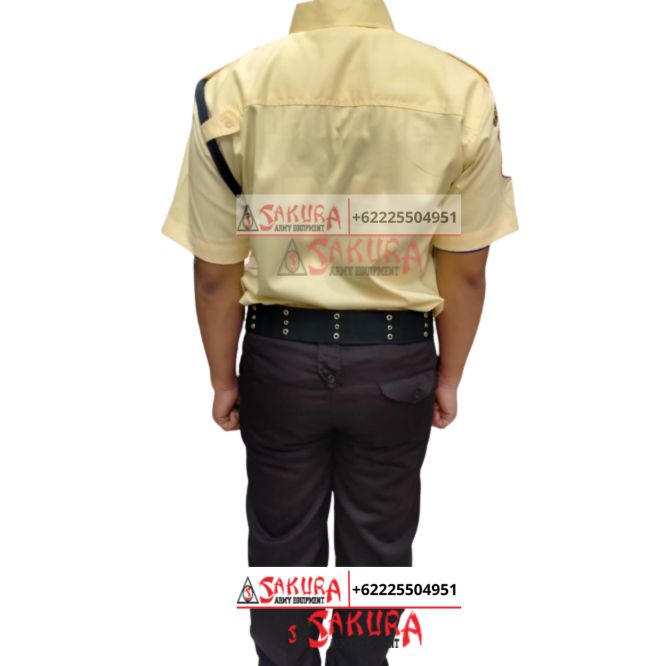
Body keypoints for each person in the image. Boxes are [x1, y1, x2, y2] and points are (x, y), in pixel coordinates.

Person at [161, 0, 518, 663]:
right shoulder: (460, 90)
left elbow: (215, 271)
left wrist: (222, 379)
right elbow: (466, 268)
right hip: (395, 364)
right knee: (380, 551)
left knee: (280, 548)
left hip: (279, 360)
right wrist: (449, 375)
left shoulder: (231, 90)